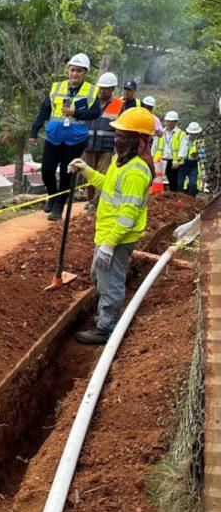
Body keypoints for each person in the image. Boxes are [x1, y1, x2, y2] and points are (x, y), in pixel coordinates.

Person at [69, 107, 155, 345]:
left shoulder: (136, 172)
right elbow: (107, 185)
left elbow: (128, 214)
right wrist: (87, 170)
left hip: (117, 238)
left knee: (110, 283)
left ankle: (106, 328)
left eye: (125, 136)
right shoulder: (119, 161)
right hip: (106, 233)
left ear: (140, 141)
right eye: (117, 134)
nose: (118, 140)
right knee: (98, 276)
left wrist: (109, 244)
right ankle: (105, 315)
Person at [30, 53, 102, 221]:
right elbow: (44, 111)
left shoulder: (91, 91)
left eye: (79, 71)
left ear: (85, 73)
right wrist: (34, 132)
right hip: (53, 137)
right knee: (47, 170)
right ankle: (52, 196)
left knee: (66, 174)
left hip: (76, 140)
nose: (74, 73)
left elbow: (95, 113)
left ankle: (58, 208)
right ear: (68, 70)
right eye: (72, 70)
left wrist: (76, 112)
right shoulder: (57, 87)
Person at [82, 72, 122, 210]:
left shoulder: (118, 104)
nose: (102, 90)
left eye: (106, 88)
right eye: (101, 87)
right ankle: (90, 200)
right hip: (89, 144)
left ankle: (96, 203)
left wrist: (118, 149)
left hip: (107, 147)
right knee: (88, 173)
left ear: (112, 89)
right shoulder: (90, 101)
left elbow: (120, 127)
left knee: (102, 174)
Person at [152, 111, 184, 192]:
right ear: (165, 121)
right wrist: (151, 157)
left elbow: (183, 148)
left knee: (173, 183)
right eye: (168, 121)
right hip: (160, 160)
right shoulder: (160, 132)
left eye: (172, 121)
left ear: (176, 122)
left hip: (173, 162)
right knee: (157, 182)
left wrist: (178, 161)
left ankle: (173, 197)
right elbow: (154, 146)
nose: (169, 123)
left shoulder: (181, 134)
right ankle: (157, 197)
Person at [178, 122, 205, 197]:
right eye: (191, 134)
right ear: (188, 132)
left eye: (195, 134)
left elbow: (202, 156)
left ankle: (192, 199)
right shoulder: (183, 139)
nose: (193, 136)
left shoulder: (199, 142)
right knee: (179, 184)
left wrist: (197, 156)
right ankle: (179, 199)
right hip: (182, 164)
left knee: (193, 184)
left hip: (193, 165)